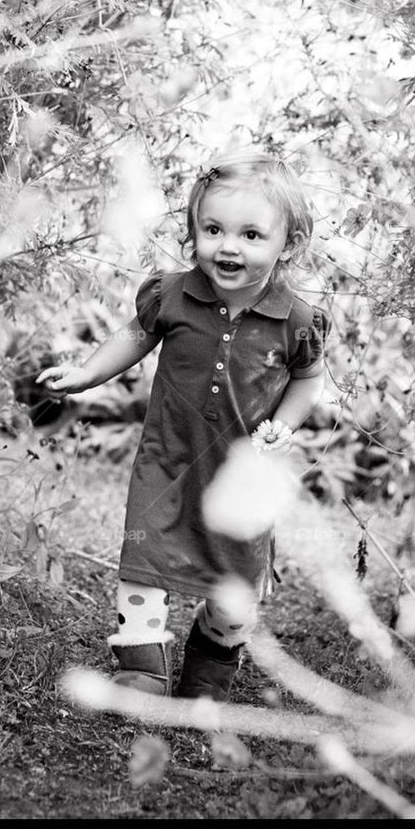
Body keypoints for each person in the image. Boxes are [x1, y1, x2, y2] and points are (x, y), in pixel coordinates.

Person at [37, 153, 331, 702]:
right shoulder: (173, 293)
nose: (229, 247)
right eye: (213, 229)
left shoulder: (295, 319)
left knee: (235, 589)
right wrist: (84, 374)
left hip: (243, 475)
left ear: (286, 245)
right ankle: (141, 668)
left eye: (250, 235)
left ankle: (209, 665)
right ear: (193, 230)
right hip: (167, 460)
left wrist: (285, 427)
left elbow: (308, 380)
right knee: (144, 561)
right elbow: (133, 337)